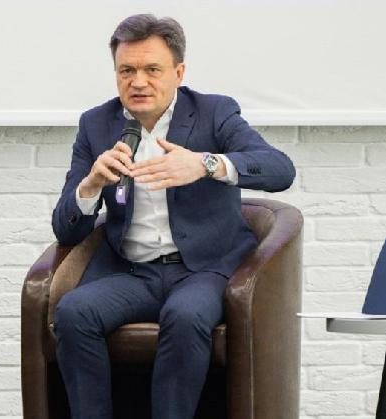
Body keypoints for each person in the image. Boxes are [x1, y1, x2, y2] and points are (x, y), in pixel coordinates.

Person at [50, 13, 296, 419]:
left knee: (185, 316)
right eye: (126, 71)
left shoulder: (214, 112)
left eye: (152, 69)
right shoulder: (96, 125)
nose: (138, 82)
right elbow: (65, 229)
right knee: (74, 312)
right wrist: (91, 184)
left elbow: (280, 170)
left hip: (203, 269)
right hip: (131, 273)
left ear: (178, 73)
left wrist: (206, 164)